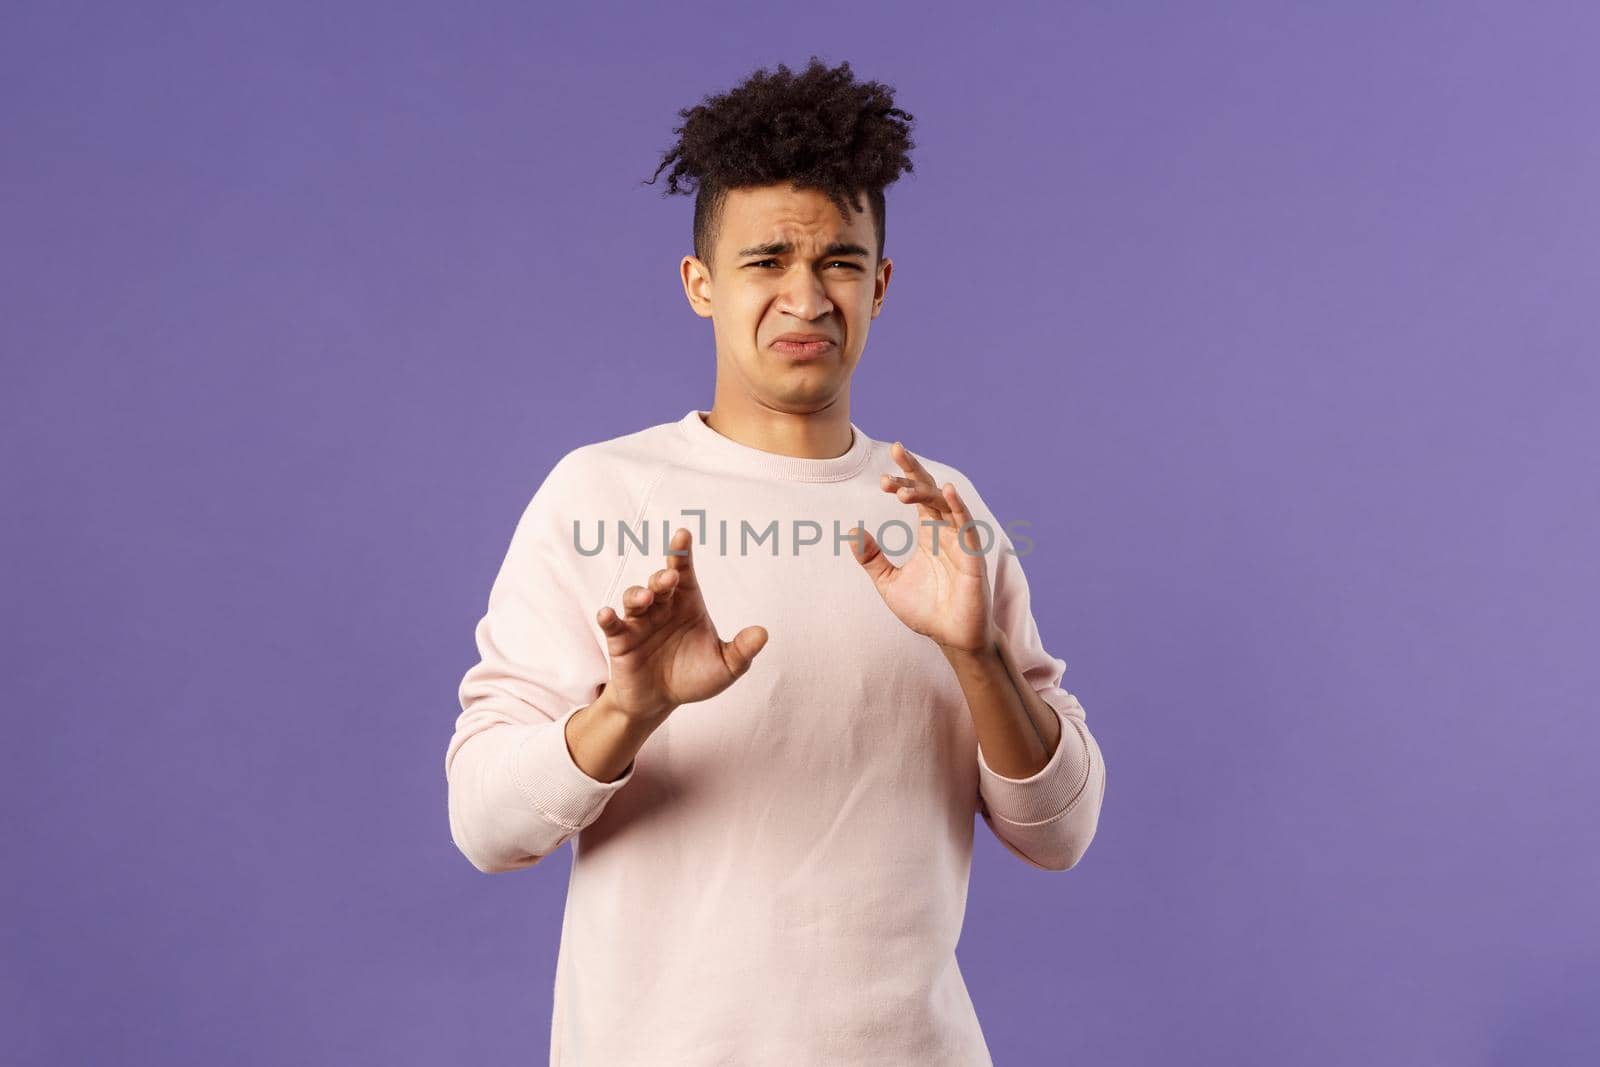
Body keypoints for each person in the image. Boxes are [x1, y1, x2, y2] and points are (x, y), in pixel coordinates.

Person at [444, 56, 1107, 1066]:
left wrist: (976, 656)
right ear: (699, 283)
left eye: (840, 261)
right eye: (765, 263)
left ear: (879, 285)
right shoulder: (601, 495)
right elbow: (487, 823)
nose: (806, 297)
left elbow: (1059, 833)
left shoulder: (941, 510)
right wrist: (630, 707)